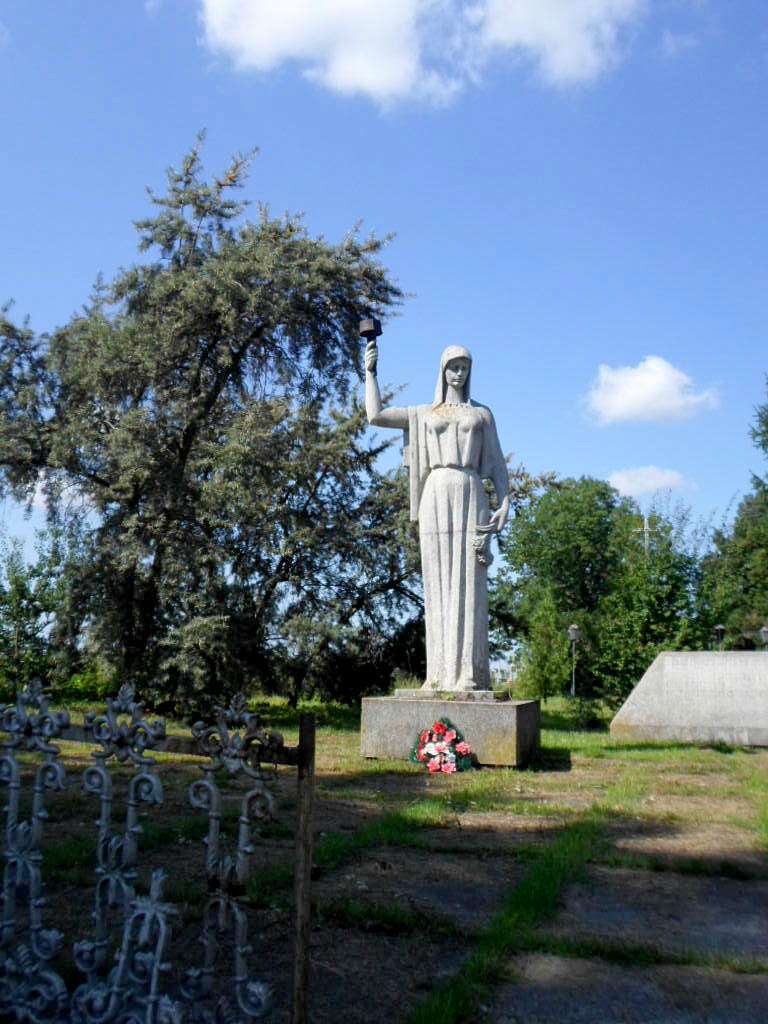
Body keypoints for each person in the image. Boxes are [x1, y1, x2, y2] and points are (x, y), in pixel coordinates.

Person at [365, 338, 509, 691]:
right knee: (437, 582)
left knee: (469, 581)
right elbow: (376, 416)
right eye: (453, 367)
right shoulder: (425, 414)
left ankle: (468, 674)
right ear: (442, 371)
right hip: (435, 492)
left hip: (471, 490)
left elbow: (497, 464)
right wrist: (370, 373)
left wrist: (504, 503)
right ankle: (439, 674)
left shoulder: (482, 415)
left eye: (464, 368)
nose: (458, 374)